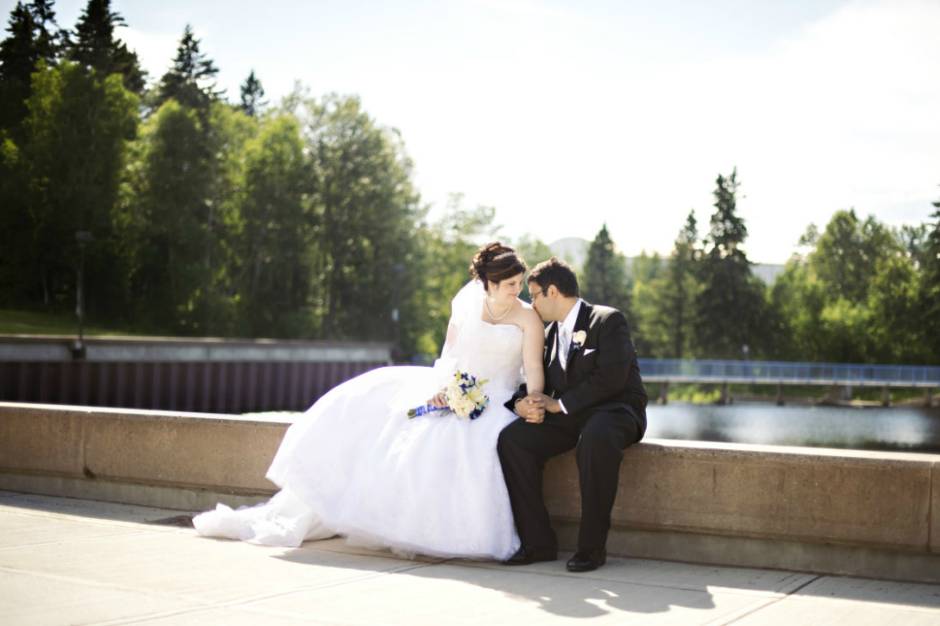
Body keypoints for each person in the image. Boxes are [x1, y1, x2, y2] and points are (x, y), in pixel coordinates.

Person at [194, 243, 546, 561]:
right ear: (489, 284)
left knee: (477, 443)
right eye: (511, 284)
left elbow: (531, 367)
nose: (518, 290)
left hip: (500, 397)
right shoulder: (467, 307)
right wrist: (446, 389)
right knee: (405, 429)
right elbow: (450, 356)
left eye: (519, 283)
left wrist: (532, 401)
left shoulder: (527, 316)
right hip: (456, 389)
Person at [498, 257, 647, 572]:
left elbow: (612, 378)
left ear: (552, 291)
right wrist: (520, 404)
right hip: (572, 417)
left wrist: (558, 405)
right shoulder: (550, 334)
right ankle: (538, 543)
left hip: (616, 412)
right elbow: (533, 381)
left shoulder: (607, 320)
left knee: (596, 437)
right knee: (514, 439)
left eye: (534, 294)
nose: (531, 302)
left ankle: (591, 549)